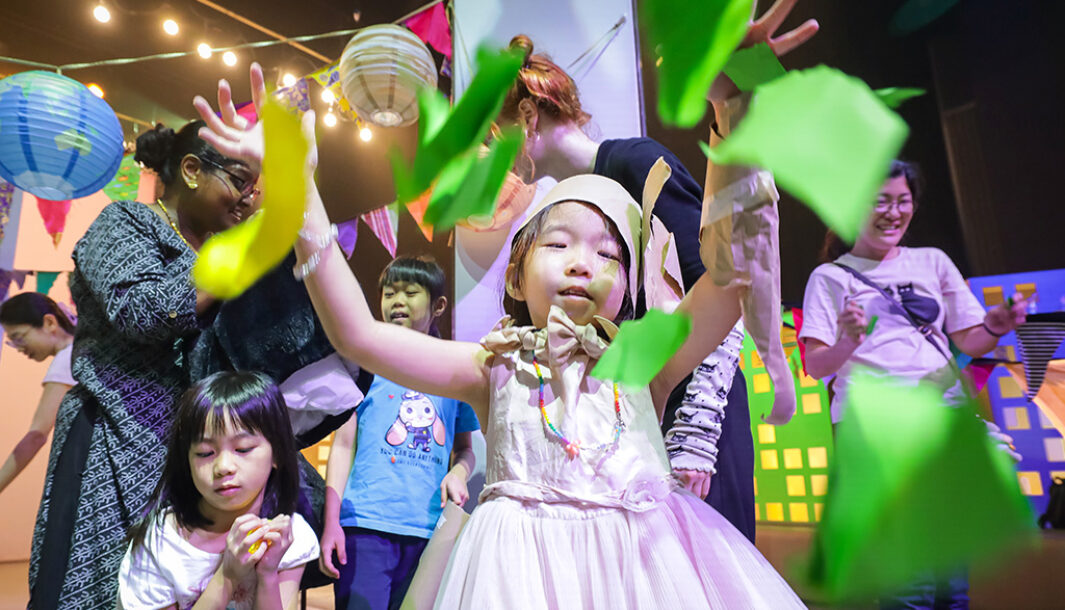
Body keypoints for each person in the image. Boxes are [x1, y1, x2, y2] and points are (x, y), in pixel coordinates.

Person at [195, 70, 809, 606]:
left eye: (608, 254)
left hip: (646, 574)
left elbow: (730, 276)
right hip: (519, 583)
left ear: (629, 283)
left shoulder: (646, 363)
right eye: (560, 243)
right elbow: (356, 334)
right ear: (517, 270)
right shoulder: (490, 369)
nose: (582, 263)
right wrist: (296, 190)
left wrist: (733, 118)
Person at [493, 0, 818, 539]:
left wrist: (696, 430)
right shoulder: (584, 196)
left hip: (695, 420)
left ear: (526, 120)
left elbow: (719, 279)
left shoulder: (635, 164)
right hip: (642, 417)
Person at [28, 73, 261, 608]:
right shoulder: (128, 222)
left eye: (256, 188)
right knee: (83, 591)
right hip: (109, 440)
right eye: (240, 181)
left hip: (188, 461)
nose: (250, 199)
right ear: (192, 170)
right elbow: (143, 311)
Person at [799, 160, 1028, 608]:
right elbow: (816, 366)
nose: (893, 212)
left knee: (950, 574)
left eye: (903, 201)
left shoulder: (933, 263)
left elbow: (969, 339)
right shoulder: (830, 278)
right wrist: (848, 340)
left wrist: (996, 326)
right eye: (880, 201)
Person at [319, 255, 479, 610]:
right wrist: (332, 522)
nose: (398, 301)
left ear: (438, 305)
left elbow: (465, 449)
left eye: (410, 292)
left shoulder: (455, 372)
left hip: (429, 532)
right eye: (389, 293)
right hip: (365, 526)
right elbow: (343, 445)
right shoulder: (364, 367)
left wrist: (459, 471)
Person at [117, 371, 319, 609]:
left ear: (277, 453)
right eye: (205, 453)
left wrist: (267, 573)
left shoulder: (288, 536)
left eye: (243, 449)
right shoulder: (163, 540)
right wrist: (228, 576)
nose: (223, 467)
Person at [0, 292, 76, 494]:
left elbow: (36, 436)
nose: (18, 348)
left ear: (49, 322)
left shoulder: (66, 359)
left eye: (19, 338)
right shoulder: (81, 350)